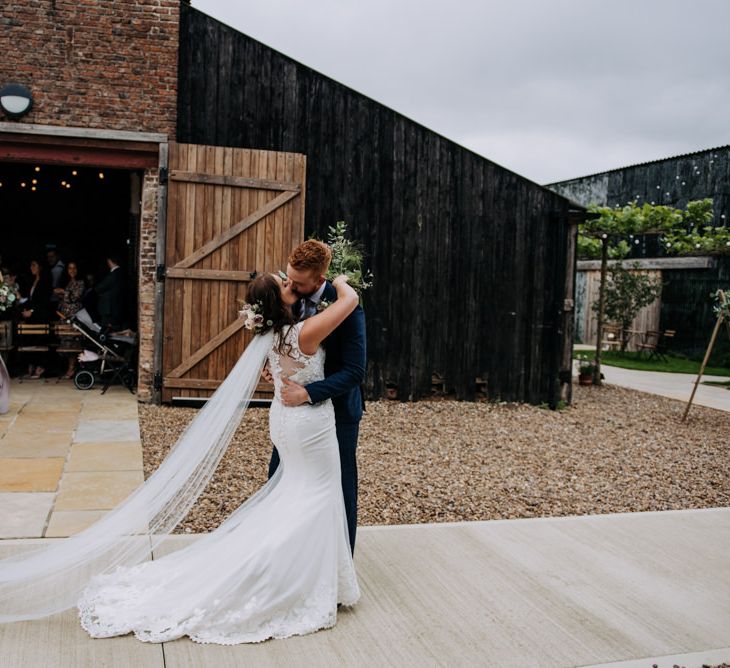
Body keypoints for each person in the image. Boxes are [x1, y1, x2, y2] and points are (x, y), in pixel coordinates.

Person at [0, 268, 362, 645]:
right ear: (275, 302)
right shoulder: (300, 331)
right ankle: (288, 574)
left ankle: (301, 570)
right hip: (304, 421)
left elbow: (287, 361)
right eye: (285, 284)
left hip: (284, 420)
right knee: (317, 494)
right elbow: (349, 302)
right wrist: (338, 277)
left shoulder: (271, 335)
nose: (292, 285)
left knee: (295, 493)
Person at [267, 240, 367, 553]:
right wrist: (270, 366)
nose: (290, 286)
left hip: (336, 412)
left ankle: (338, 562)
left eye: (299, 283)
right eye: (288, 277)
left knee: (338, 486)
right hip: (291, 418)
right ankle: (283, 555)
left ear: (319, 280)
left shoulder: (347, 307)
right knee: (280, 479)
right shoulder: (283, 296)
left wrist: (307, 392)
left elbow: (355, 371)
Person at [19, 259, 52, 378]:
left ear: (40, 267)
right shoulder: (32, 280)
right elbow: (31, 300)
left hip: (41, 316)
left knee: (39, 341)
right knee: (30, 341)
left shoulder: (45, 281)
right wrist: (24, 308)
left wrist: (32, 311)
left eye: (34, 265)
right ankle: (31, 368)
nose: (31, 267)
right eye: (31, 265)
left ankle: (40, 367)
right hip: (32, 318)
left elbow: (43, 302)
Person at [56, 261, 85, 378]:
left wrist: (64, 292)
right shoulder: (66, 282)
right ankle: (70, 367)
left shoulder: (80, 283)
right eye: (69, 268)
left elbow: (75, 297)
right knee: (66, 343)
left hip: (75, 317)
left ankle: (72, 368)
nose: (72, 270)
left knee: (74, 342)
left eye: (74, 268)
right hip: (64, 317)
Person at [95, 254, 125, 329]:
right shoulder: (121, 273)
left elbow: (100, 287)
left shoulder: (114, 274)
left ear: (110, 261)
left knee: (108, 330)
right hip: (116, 306)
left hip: (109, 308)